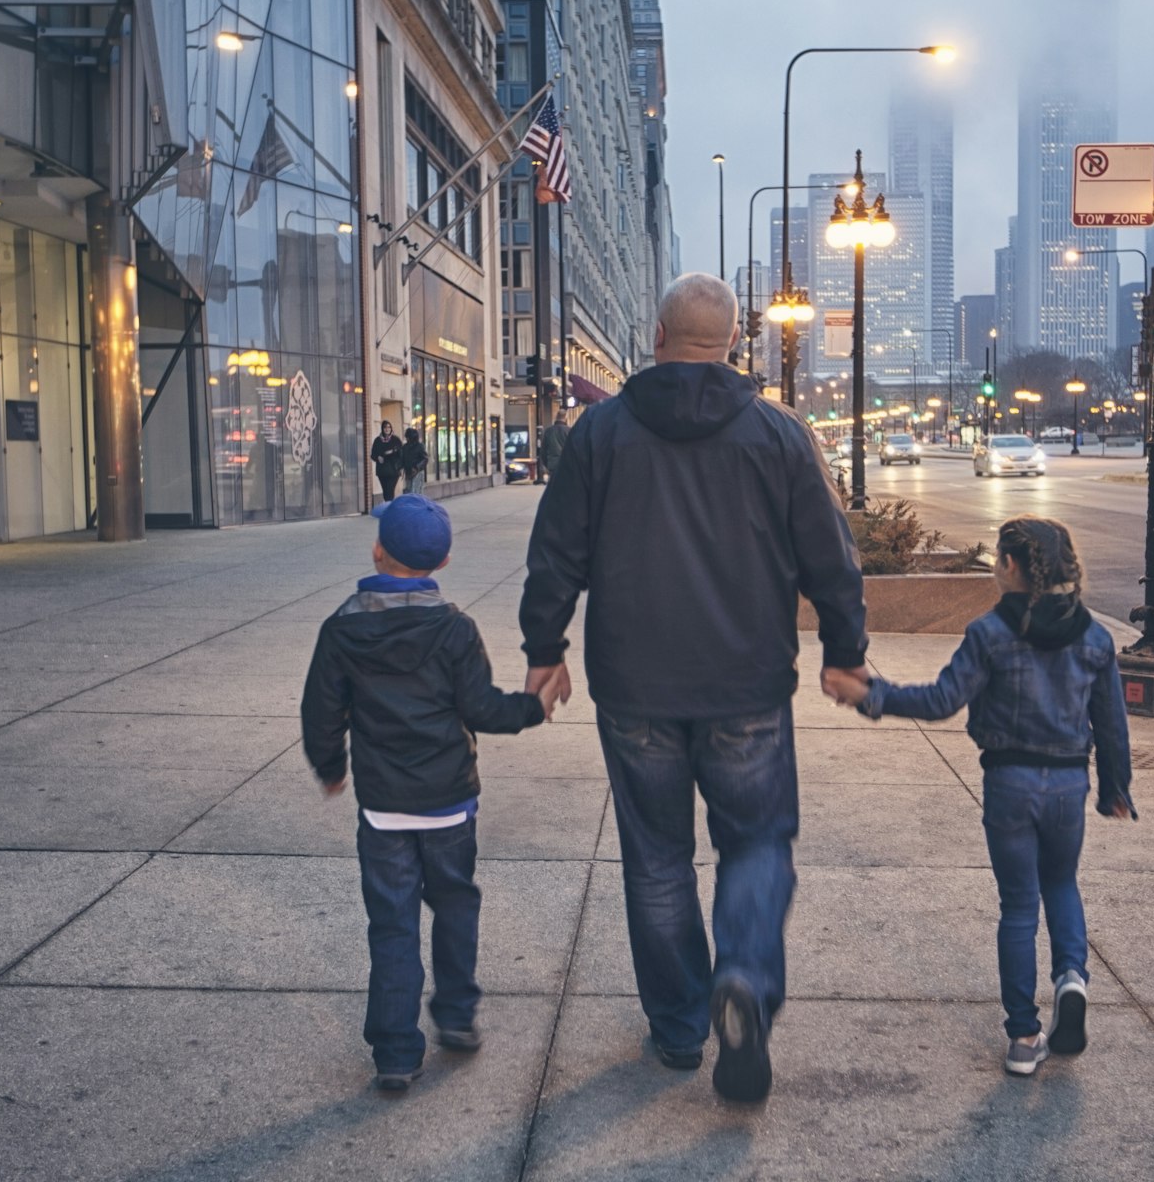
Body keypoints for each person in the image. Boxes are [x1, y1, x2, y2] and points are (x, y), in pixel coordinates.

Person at [519, 272, 867, 1103]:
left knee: (657, 860)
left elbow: (555, 552)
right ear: (736, 342)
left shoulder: (599, 433)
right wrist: (845, 651)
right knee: (755, 844)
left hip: (634, 686)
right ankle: (742, 976)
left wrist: (544, 649)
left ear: (658, 337)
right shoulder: (778, 435)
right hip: (746, 684)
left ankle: (679, 1029)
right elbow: (832, 555)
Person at [826, 516, 1135, 1076]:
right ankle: (1071, 979)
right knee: (1061, 883)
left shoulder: (989, 633)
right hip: (1068, 784)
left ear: (1012, 567)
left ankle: (1023, 1037)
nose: (994, 568)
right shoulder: (1094, 637)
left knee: (1019, 906)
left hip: (1009, 785)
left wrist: (869, 694)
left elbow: (942, 700)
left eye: (997, 560)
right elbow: (1111, 723)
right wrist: (1116, 788)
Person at [301, 495, 563, 1093]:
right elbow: (481, 708)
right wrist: (533, 708)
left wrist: (331, 766)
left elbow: (321, 709)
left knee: (391, 925)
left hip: (383, 809)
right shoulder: (453, 630)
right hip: (449, 803)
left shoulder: (342, 628)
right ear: (443, 561)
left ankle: (395, 1052)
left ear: (376, 550)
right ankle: (456, 1014)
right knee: (455, 904)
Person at [370, 421, 406, 502]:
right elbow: (373, 454)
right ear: (382, 428)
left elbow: (401, 454)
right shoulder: (377, 440)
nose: (387, 429)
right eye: (385, 427)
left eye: (389, 427)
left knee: (390, 490)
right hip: (382, 471)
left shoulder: (396, 440)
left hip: (393, 470)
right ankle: (388, 506)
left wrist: (393, 452)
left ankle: (389, 508)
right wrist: (377, 457)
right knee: (386, 492)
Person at [539, 414, 571, 483]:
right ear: (565, 419)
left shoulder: (548, 431)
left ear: (555, 419)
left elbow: (543, 451)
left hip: (553, 465)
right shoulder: (570, 431)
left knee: (553, 487)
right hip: (567, 464)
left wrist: (547, 464)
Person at [401, 427, 429, 496]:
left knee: (416, 492)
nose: (406, 438)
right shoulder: (405, 447)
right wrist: (400, 467)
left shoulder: (419, 446)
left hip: (417, 472)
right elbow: (402, 459)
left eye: (408, 437)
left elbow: (425, 459)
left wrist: (417, 467)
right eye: (406, 437)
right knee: (409, 491)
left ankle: (417, 506)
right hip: (408, 472)